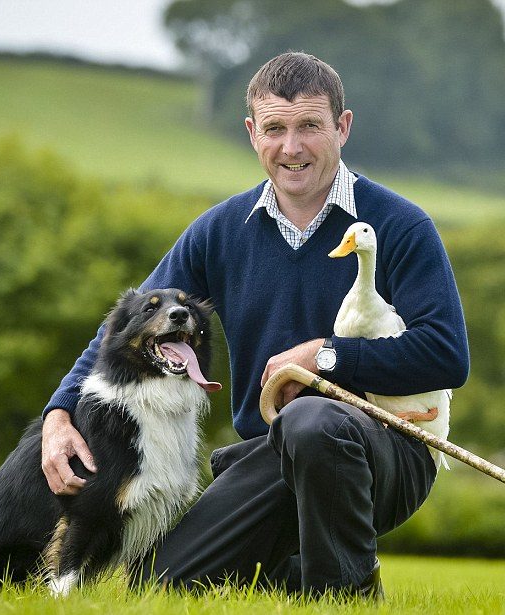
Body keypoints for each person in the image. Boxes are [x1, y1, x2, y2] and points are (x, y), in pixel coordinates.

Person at [40, 51, 469, 597]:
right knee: (163, 581)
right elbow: (125, 328)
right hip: (271, 456)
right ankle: (297, 571)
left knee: (313, 419)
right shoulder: (218, 231)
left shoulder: (401, 226)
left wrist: (325, 357)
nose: (292, 148)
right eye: (275, 129)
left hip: (387, 455)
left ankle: (348, 596)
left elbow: (447, 354)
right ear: (252, 133)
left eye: (310, 126)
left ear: (343, 126)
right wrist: (60, 411)